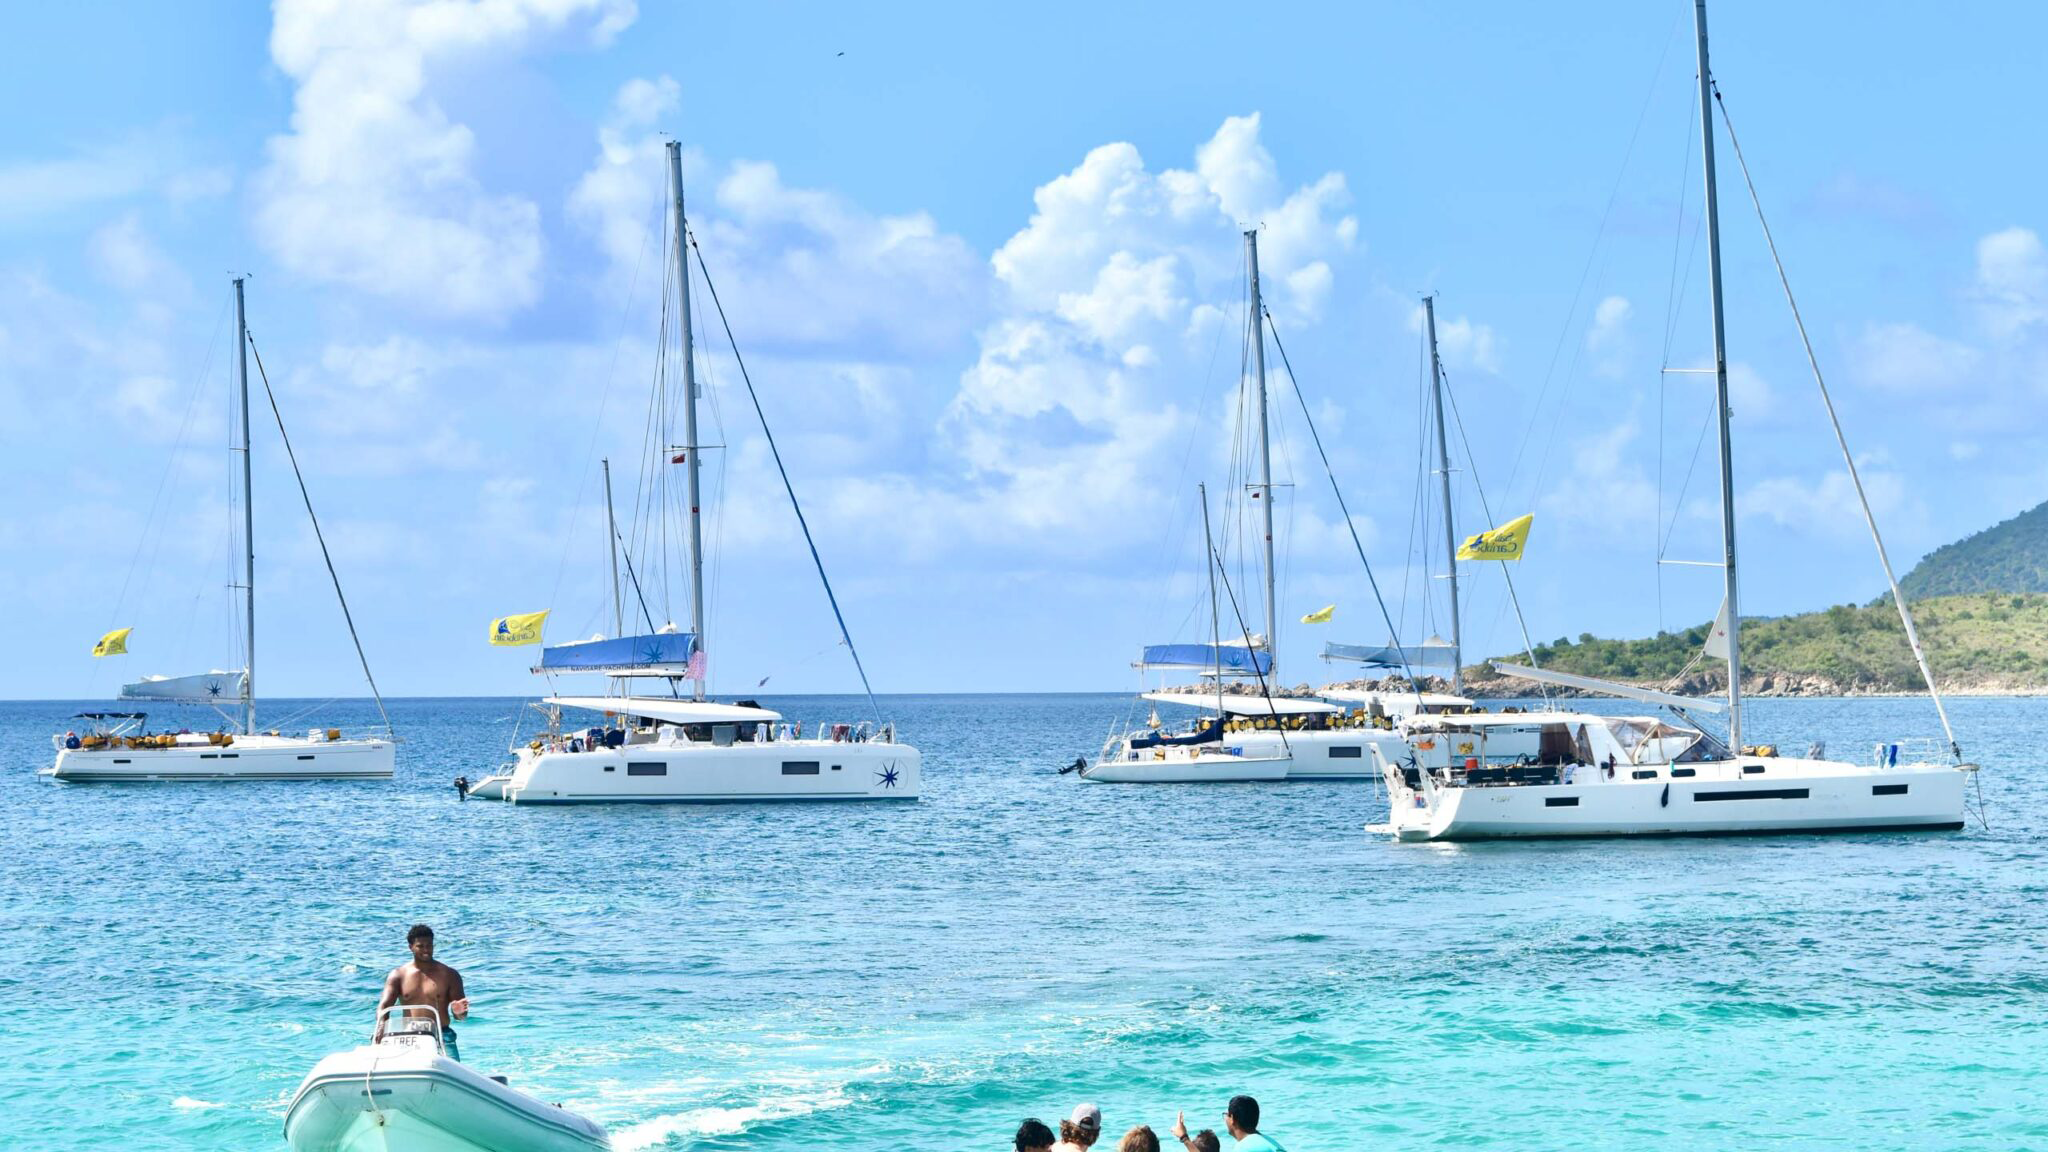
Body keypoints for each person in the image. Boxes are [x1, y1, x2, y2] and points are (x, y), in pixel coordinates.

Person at [374, 924, 469, 1061]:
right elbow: (383, 1007)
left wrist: (459, 1013)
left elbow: (461, 1016)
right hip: (408, 1036)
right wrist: (381, 1026)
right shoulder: (398, 975)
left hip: (441, 1035)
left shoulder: (449, 975)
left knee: (457, 1072)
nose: (426, 950)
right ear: (411, 947)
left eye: (429, 945)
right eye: (420, 946)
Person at [1174, 1098, 1282, 1151]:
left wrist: (1184, 1137)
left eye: (1227, 1115)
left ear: (1233, 1119)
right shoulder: (1269, 1142)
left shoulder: (1244, 1147)